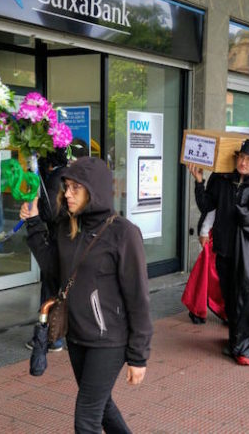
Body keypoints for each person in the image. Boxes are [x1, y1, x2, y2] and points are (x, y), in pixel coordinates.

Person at [21, 156, 152, 433]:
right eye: (66, 187)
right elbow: (55, 272)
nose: (67, 194)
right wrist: (33, 225)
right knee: (101, 406)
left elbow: (139, 299)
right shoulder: (69, 228)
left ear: (94, 190)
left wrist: (138, 356)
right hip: (77, 335)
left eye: (74, 188)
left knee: (86, 419)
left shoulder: (124, 234)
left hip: (109, 340)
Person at [188, 139, 249, 366]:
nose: (244, 162)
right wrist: (199, 182)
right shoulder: (222, 179)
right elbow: (207, 205)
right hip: (224, 249)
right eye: (241, 157)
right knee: (230, 298)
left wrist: (246, 217)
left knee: (246, 298)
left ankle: (246, 344)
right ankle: (235, 340)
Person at [24, 147, 69, 353]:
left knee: (50, 289)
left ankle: (51, 336)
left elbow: (50, 212)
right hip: (66, 241)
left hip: (57, 241)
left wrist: (35, 208)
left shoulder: (54, 179)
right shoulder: (67, 175)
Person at [181, 210, 227, 324]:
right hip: (216, 235)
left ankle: (224, 309)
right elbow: (213, 206)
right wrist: (204, 231)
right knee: (209, 271)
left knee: (209, 272)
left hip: (224, 234)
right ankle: (198, 308)